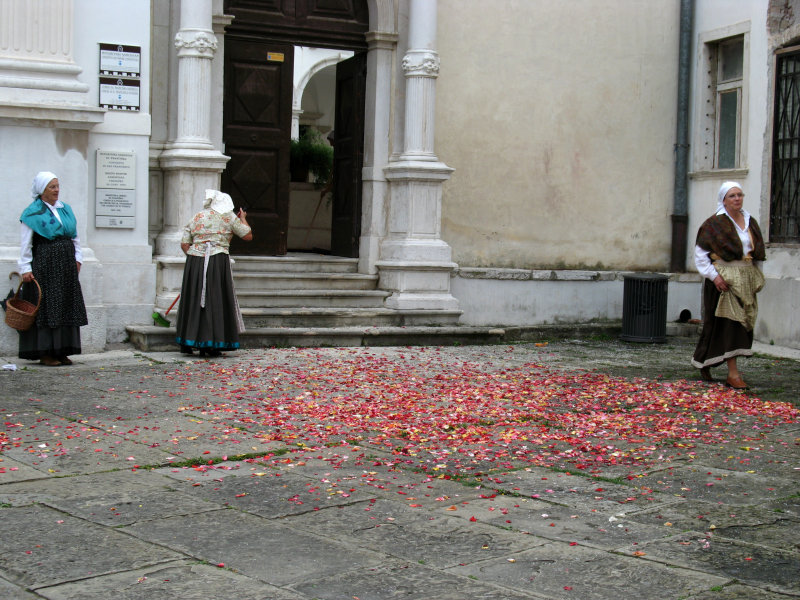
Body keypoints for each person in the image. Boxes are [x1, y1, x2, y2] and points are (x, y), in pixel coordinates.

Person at [692, 182, 766, 389]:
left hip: (745, 279)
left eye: (739, 195)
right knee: (728, 325)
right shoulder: (713, 225)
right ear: (723, 199)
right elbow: (700, 256)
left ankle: (705, 359)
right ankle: (733, 374)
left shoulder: (750, 222)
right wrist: (715, 277)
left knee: (741, 324)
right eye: (732, 195)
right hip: (722, 280)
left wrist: (757, 278)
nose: (737, 199)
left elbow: (757, 253)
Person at [17, 172, 88, 366]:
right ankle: (46, 352)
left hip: (66, 264)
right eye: (52, 187)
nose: (57, 190)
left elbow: (75, 237)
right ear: (42, 190)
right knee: (49, 306)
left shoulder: (65, 209)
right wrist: (24, 268)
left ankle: (63, 350)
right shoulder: (32, 213)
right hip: (45, 265)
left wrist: (78, 259)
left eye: (57, 186)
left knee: (66, 303)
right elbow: (26, 243)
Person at [175, 189, 252, 357]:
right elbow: (247, 235)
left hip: (194, 261)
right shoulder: (228, 217)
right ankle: (211, 344)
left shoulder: (197, 216)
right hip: (217, 261)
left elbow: (184, 244)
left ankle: (188, 340)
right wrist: (243, 218)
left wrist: (196, 258)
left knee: (195, 298)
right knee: (215, 298)